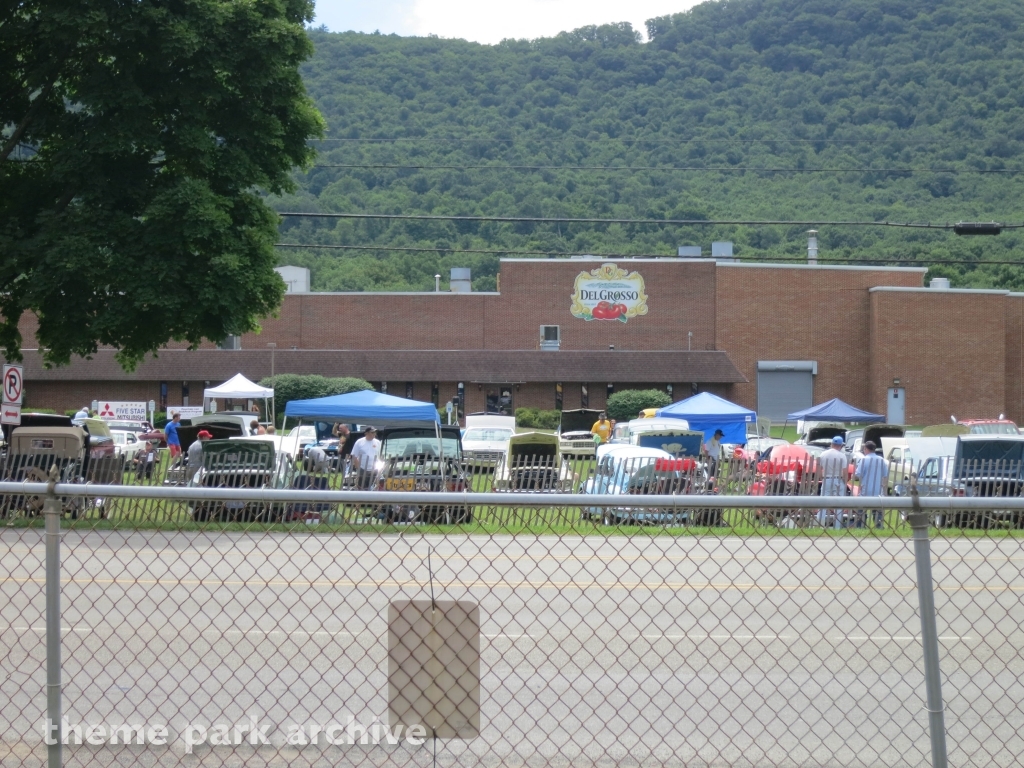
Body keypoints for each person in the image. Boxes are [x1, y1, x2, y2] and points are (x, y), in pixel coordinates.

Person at [855, 440, 888, 529]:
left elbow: (858, 474)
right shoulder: (882, 460)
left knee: (861, 510)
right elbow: (885, 475)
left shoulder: (864, 460)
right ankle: (879, 526)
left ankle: (861, 526)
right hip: (878, 491)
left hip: (866, 490)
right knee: (878, 511)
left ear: (865, 449)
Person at [818, 435, 849, 528]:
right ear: (841, 445)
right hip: (838, 479)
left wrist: (821, 478)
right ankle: (837, 526)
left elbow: (819, 468)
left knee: (823, 502)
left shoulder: (823, 454)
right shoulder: (842, 456)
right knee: (839, 503)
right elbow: (844, 471)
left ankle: (820, 524)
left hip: (827, 479)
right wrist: (845, 481)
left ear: (832, 444)